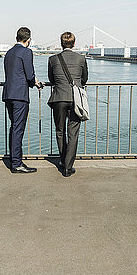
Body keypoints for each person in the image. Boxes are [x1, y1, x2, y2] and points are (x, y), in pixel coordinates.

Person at [47, 31, 88, 177]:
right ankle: (68, 167)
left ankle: (63, 161)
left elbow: (52, 80)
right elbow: (84, 79)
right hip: (76, 99)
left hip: (58, 98)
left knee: (60, 130)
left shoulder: (52, 59)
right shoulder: (81, 58)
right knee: (73, 133)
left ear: (61, 43)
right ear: (74, 44)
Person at [2, 27, 43, 173]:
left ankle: (14, 160)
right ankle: (17, 164)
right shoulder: (26, 52)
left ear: (17, 38)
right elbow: (30, 75)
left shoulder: (9, 52)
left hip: (8, 94)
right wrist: (36, 83)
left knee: (14, 128)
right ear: (29, 39)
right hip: (20, 96)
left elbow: (14, 72)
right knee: (18, 129)